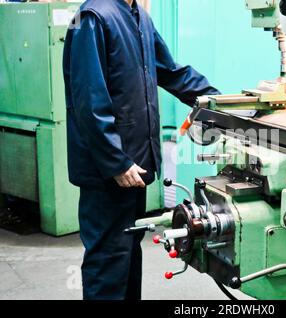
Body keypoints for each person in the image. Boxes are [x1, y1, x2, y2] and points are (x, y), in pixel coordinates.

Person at [62, 0, 220, 300]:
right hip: (109, 172)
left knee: (128, 257)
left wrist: (217, 103)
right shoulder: (92, 17)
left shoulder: (140, 18)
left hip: (136, 165)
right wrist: (117, 162)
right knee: (108, 262)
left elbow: (171, 72)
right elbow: (88, 100)